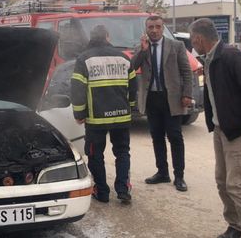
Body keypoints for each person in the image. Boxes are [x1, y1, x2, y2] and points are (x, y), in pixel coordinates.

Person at [189, 18, 241, 238]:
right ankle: (235, 226)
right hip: (221, 129)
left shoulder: (230, 56)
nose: (193, 45)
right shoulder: (211, 58)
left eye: (193, 41)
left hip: (239, 133)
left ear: (198, 38)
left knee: (237, 185)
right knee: (223, 182)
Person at [71, 25, 137, 203]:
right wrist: (131, 108)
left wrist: (79, 113)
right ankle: (123, 190)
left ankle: (102, 191)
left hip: (96, 119)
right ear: (108, 37)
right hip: (122, 116)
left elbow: (77, 89)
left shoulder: (84, 59)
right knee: (122, 152)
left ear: (91, 38)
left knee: (95, 154)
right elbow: (133, 87)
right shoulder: (123, 58)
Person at [131, 15, 192, 192]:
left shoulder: (176, 46)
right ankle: (162, 172)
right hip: (151, 98)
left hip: (171, 98)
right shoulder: (142, 47)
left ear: (163, 27)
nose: (154, 30)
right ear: (146, 29)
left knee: (175, 136)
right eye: (151, 27)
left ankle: (179, 176)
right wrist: (142, 51)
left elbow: (186, 71)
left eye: (158, 27)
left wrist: (187, 93)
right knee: (157, 136)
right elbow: (132, 67)